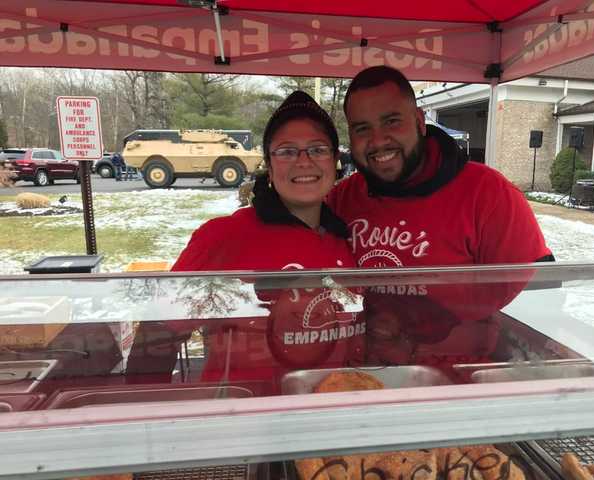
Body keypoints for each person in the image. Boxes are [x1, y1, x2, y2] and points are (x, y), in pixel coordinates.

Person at [127, 91, 363, 385]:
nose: (304, 161)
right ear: (269, 164)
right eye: (287, 151)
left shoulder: (344, 239)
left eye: (317, 149)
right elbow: (158, 335)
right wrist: (147, 413)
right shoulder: (224, 237)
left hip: (332, 414)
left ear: (334, 161)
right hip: (241, 417)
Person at [327, 66, 553, 369]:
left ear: (420, 122)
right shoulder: (344, 198)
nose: (378, 141)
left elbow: (540, 299)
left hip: (463, 375)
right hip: (372, 370)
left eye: (391, 121)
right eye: (362, 128)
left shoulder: (487, 193)